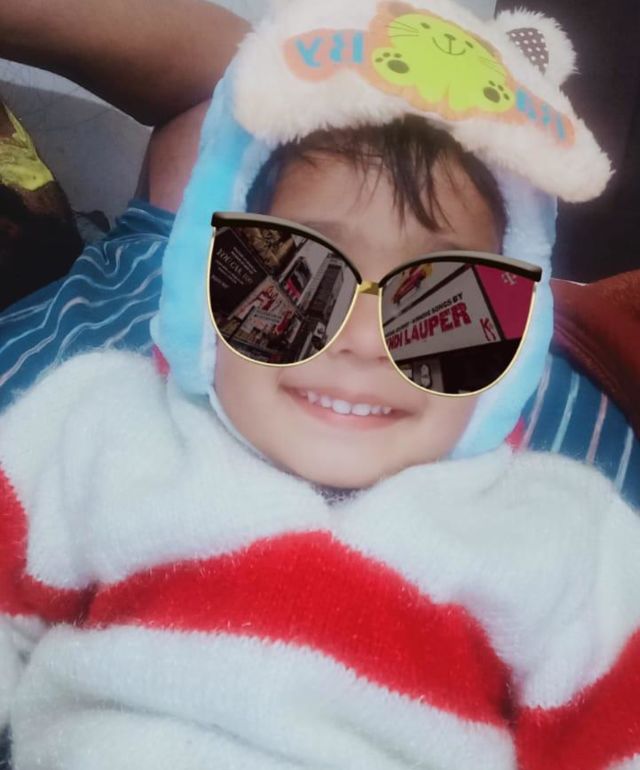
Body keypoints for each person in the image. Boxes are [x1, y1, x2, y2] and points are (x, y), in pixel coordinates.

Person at [0, 1, 639, 769]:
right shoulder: (104, 426)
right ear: (201, 288)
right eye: (294, 277)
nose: (362, 342)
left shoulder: (562, 537)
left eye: (447, 306)